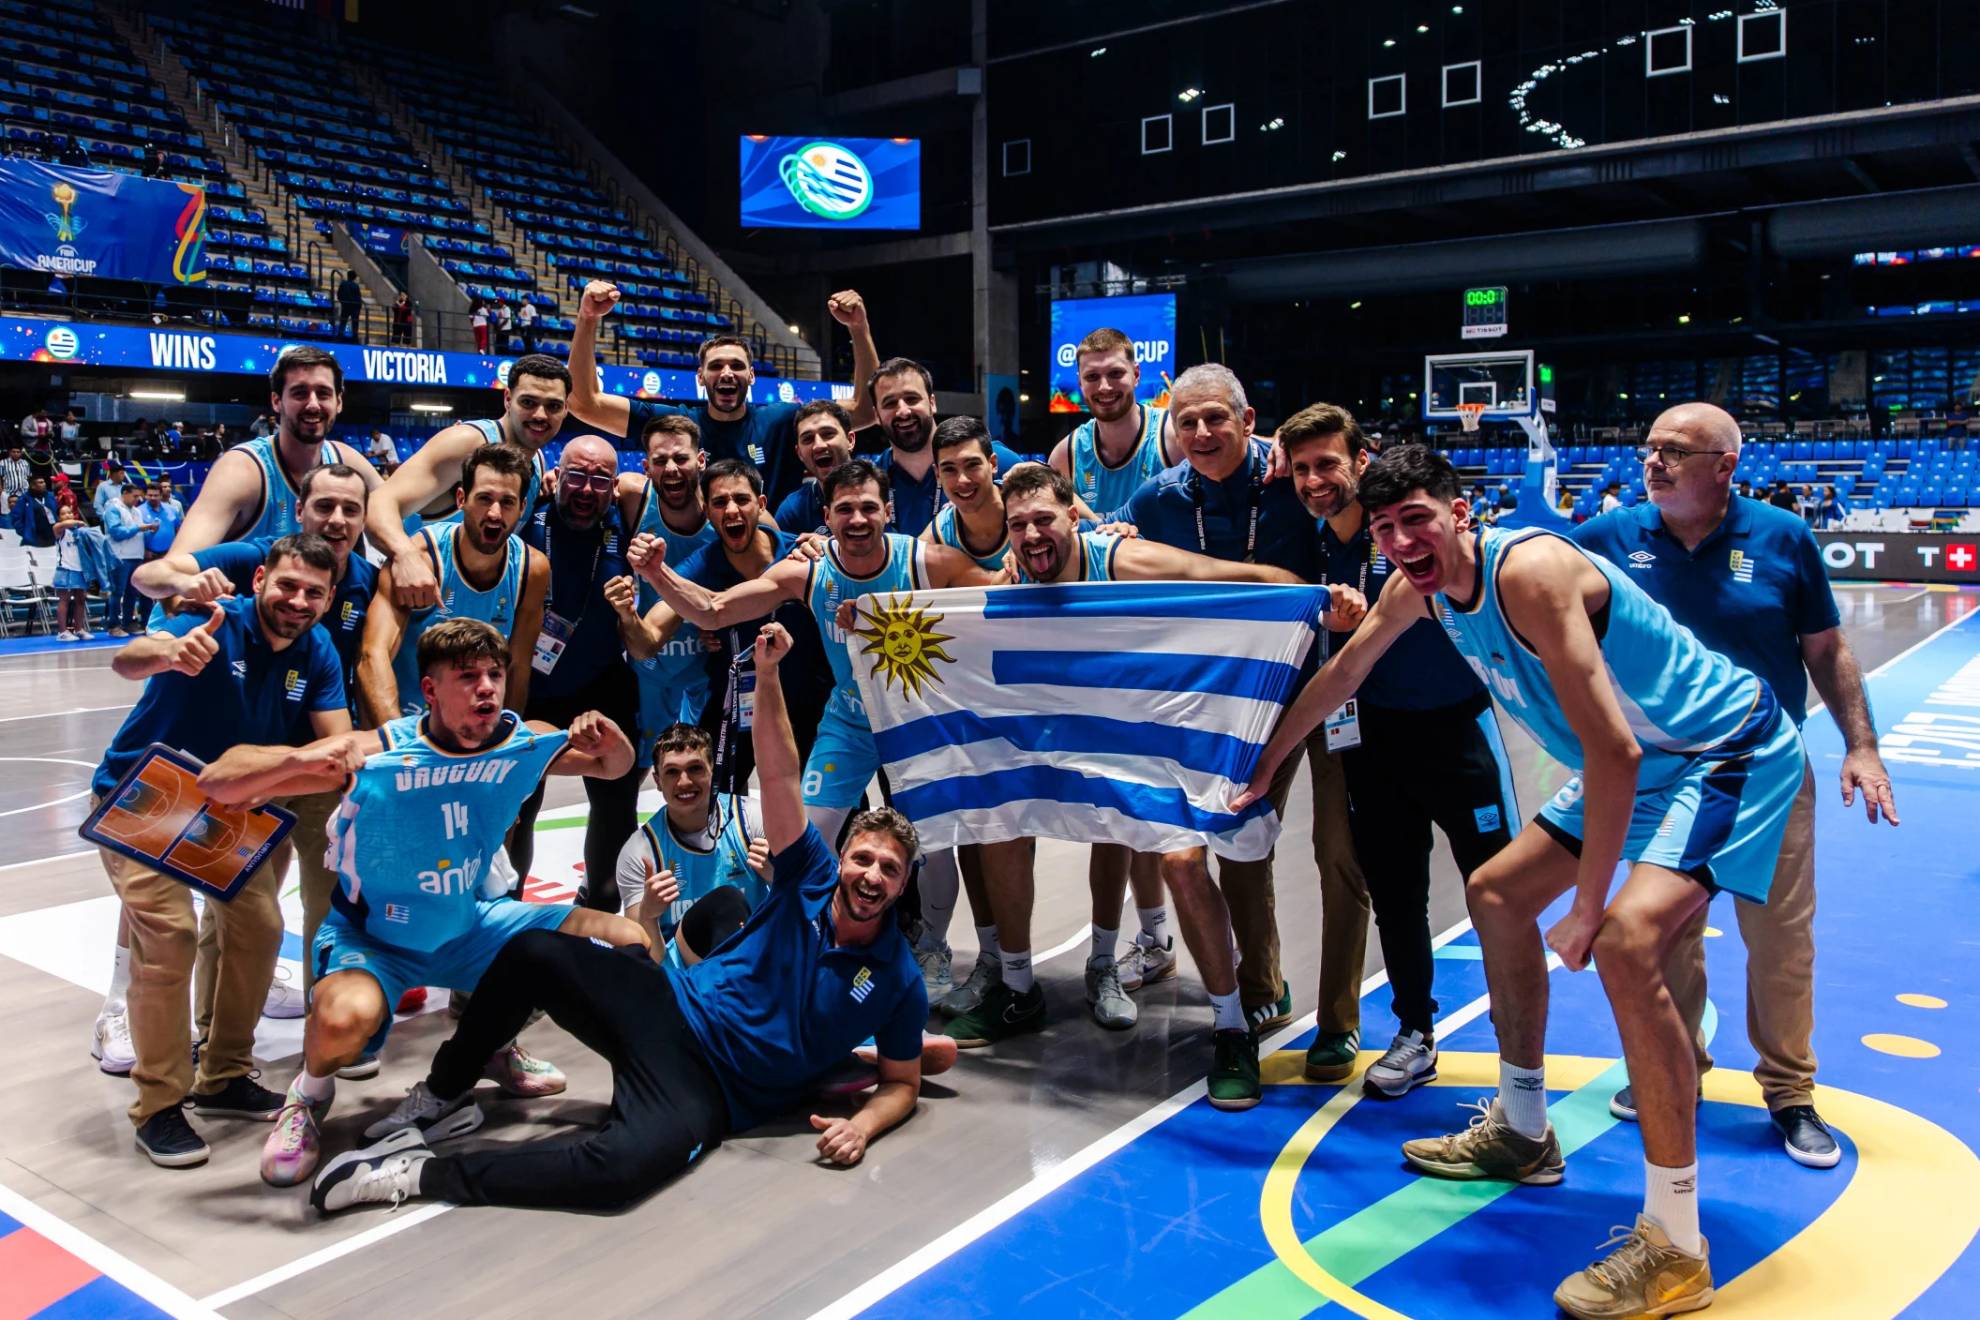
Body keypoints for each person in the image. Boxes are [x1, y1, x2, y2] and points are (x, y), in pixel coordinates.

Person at [1237, 445, 1807, 1318]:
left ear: (1460, 513)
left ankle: (1677, 1245)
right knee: (1496, 893)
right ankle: (1524, 1128)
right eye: (1385, 528)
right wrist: (1267, 764)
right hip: (1644, 763)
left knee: (1623, 944)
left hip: (1720, 751)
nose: (1400, 540)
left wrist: (1585, 909)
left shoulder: (1532, 572)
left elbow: (1614, 748)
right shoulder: (1414, 589)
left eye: (1417, 518)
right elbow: (1343, 674)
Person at [308, 621, 930, 1216]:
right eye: (863, 860)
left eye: (889, 870)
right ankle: (445, 1093)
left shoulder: (900, 982)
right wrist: (766, 674)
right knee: (533, 951)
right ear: (842, 859)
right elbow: (780, 773)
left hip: (711, 1094)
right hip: (670, 1009)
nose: (871, 877)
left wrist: (864, 1124)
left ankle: (409, 1176)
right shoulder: (811, 878)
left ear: (904, 886)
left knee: (618, 1173)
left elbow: (905, 1084)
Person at [197, 618, 646, 1186]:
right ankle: (307, 1097)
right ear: (430, 691)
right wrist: (298, 763)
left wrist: (611, 737)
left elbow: (616, 766)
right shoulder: (378, 751)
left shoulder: (522, 739)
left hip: (470, 925)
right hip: (377, 941)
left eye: (494, 674)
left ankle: (492, 1045)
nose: (486, 688)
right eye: (467, 677)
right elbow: (220, 782)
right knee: (342, 1021)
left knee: (625, 939)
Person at [1572, 403, 1899, 1168]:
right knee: (1665, 936)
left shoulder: (1783, 537)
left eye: (1674, 451)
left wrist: (1863, 745)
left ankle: (1790, 1093)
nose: (1653, 463)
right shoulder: (1610, 537)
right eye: (1649, 448)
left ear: (1725, 466)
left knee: (1779, 942)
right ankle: (1676, 1065)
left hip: (1767, 772)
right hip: (1662, 771)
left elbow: (1826, 648)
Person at [942, 462, 1330, 1048]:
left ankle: (1219, 1020)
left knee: (1177, 857)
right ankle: (1018, 988)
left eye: (1043, 519)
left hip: (1146, 729)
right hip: (1069, 726)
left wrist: (1309, 599)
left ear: (1074, 516)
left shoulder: (1121, 560)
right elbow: (946, 622)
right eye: (1018, 525)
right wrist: (866, 622)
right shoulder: (1011, 582)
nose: (1030, 535)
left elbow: (1229, 575)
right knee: (998, 811)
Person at [92, 534, 353, 1168]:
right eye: (287, 585)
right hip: (146, 792)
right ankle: (158, 1105)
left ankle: (224, 1074)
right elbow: (128, 658)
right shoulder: (215, 616)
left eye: (313, 592)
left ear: (328, 600)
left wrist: (297, 767)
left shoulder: (317, 650)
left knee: (261, 927)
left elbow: (336, 746)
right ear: (260, 578)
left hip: (228, 806)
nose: (297, 600)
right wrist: (168, 653)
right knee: (170, 938)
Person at [1279, 404, 1516, 1094]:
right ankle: (1415, 1031)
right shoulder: (1311, 541)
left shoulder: (1410, 530)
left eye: (1330, 463)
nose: (1316, 480)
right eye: (1301, 468)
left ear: (1364, 460)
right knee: (1397, 893)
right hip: (1372, 738)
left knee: (1495, 893)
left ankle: (1517, 1049)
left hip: (1459, 730)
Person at [1113, 363, 1330, 1107]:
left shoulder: (1291, 487)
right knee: (1195, 853)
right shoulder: (1154, 499)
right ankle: (1240, 996)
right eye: (1187, 421)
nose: (1201, 433)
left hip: (1291, 700)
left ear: (1248, 420)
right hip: (1194, 705)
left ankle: (1260, 988)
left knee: (1251, 843)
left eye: (1216, 419)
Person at [133, 464, 378, 1009]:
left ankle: (329, 1014)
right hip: (247, 766)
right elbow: (146, 579)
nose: (337, 520)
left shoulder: (366, 580)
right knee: (237, 900)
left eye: (351, 509)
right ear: (299, 508)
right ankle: (209, 1024)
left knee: (333, 893)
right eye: (324, 506)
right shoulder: (251, 558)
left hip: (316, 758)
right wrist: (181, 583)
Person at [612, 459, 835, 797]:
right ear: (707, 510)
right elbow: (645, 646)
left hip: (809, 707)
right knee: (708, 807)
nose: (731, 510)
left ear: (760, 506)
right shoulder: (698, 567)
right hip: (735, 707)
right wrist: (628, 614)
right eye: (719, 502)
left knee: (831, 814)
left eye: (741, 500)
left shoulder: (803, 555)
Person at [568, 280, 880, 509]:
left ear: (752, 376)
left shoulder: (782, 419)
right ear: (701, 378)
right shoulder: (676, 424)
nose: (727, 373)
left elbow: (866, 410)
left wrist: (858, 328)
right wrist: (587, 318)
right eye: (716, 366)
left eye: (737, 366)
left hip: (773, 559)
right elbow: (584, 404)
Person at [504, 436, 646, 909]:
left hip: (602, 685)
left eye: (600, 480)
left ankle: (600, 904)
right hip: (529, 690)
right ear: (556, 478)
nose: (586, 490)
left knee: (615, 805)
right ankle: (507, 905)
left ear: (616, 488)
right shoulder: (527, 521)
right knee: (517, 807)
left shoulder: (628, 522)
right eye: (576, 477)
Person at [359, 444, 547, 727]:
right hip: (407, 723)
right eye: (484, 498)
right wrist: (399, 746)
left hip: (473, 732)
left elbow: (518, 667)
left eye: (507, 502)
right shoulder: (419, 558)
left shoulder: (532, 569)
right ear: (461, 499)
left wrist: (502, 739)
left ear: (522, 508)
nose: (495, 513)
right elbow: (372, 655)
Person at [366, 355, 564, 600]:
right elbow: (378, 503)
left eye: (553, 406)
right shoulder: (466, 442)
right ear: (508, 400)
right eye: (528, 402)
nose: (541, 415)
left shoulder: (537, 461)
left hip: (474, 613)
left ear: (566, 410)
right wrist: (405, 555)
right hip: (416, 603)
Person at [170, 348, 382, 551]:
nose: (313, 404)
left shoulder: (346, 461)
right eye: (300, 393)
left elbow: (404, 522)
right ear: (276, 401)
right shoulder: (241, 470)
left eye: (323, 393)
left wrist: (404, 554)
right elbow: (178, 567)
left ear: (338, 402)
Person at [615, 722, 769, 964]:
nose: (684, 782)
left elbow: (805, 909)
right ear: (657, 780)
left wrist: (780, 877)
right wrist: (648, 916)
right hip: (688, 980)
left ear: (713, 772)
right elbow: (645, 964)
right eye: (672, 772)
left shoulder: (752, 820)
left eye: (695, 768)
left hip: (756, 960)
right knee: (725, 904)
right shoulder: (639, 852)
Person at [868, 357, 1029, 537]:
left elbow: (1053, 507)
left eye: (912, 399)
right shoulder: (871, 482)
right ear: (876, 415)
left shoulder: (993, 458)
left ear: (932, 403)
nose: (904, 411)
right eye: (890, 403)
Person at [772, 399, 857, 535]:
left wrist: (830, 548)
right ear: (799, 453)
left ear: (850, 440)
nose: (818, 445)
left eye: (828, 434)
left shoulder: (884, 484)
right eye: (808, 439)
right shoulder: (792, 510)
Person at [101, 484, 157, 636]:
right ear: (125, 493)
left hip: (136, 555)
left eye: (139, 496)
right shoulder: (113, 509)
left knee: (132, 593)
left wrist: (150, 530)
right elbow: (116, 532)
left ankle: (127, 624)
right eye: (134, 496)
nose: (137, 499)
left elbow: (139, 533)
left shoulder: (137, 511)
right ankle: (113, 626)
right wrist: (139, 528)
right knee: (117, 592)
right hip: (120, 556)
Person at [50, 498, 90, 640]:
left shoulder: (80, 531)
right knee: (64, 599)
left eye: (70, 513)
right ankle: (62, 632)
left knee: (81, 599)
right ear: (59, 517)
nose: (68, 515)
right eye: (64, 513)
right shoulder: (58, 529)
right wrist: (77, 522)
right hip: (65, 568)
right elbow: (65, 524)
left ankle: (78, 629)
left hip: (80, 569)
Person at [9, 473, 58, 547]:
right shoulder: (24, 499)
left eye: (44, 482)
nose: (44, 484)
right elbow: (16, 518)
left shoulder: (50, 496)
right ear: (33, 486)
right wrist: (26, 533)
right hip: (35, 538)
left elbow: (57, 512)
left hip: (53, 535)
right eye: (40, 482)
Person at [141, 484, 180, 559]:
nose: (153, 498)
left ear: (161, 495)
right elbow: (136, 536)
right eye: (150, 495)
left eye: (156, 495)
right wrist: (143, 551)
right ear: (145, 496)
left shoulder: (172, 510)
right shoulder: (139, 511)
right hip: (149, 555)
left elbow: (178, 531)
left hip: (170, 554)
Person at [336, 271, 363, 340]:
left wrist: (342, 302)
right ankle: (354, 336)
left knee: (343, 321)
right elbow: (358, 297)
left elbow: (339, 294)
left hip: (346, 305)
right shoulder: (355, 286)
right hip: (354, 306)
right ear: (354, 277)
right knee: (354, 322)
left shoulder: (343, 284)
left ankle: (340, 335)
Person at [1, 445, 27, 513]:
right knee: (7, 513)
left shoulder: (25, 463)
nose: (16, 453)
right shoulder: (2, 463)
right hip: (8, 492)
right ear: (10, 452)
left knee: (23, 512)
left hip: (23, 492)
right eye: (14, 452)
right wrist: (1, 491)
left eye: (18, 452)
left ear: (21, 453)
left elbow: (28, 477)